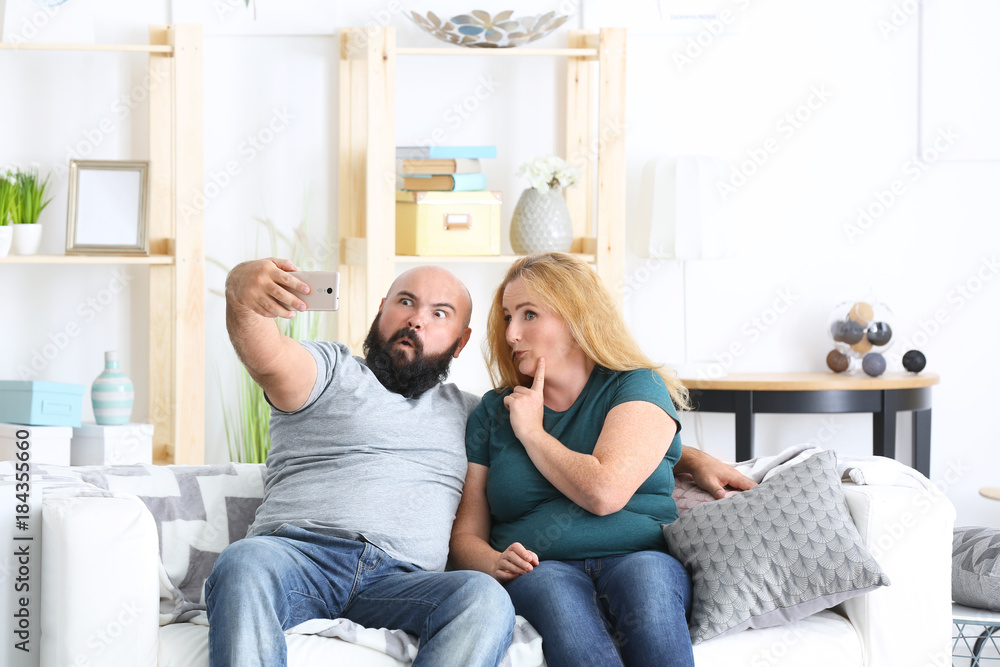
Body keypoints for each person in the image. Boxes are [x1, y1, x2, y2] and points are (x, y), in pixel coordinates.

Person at [205, 258, 515, 667]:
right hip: (299, 559)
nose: (416, 320)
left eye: (439, 313)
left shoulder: (474, 414)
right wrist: (241, 295)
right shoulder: (331, 371)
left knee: (484, 596)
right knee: (243, 562)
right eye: (406, 302)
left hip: (403, 582)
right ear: (381, 309)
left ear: (461, 341)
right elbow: (267, 355)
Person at [450, 252, 756, 667]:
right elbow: (466, 536)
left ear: (578, 319)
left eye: (528, 315)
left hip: (638, 555)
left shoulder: (636, 386)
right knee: (564, 612)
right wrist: (493, 561)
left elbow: (605, 492)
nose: (511, 334)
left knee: (649, 589)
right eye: (507, 317)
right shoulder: (492, 412)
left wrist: (533, 433)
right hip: (541, 568)